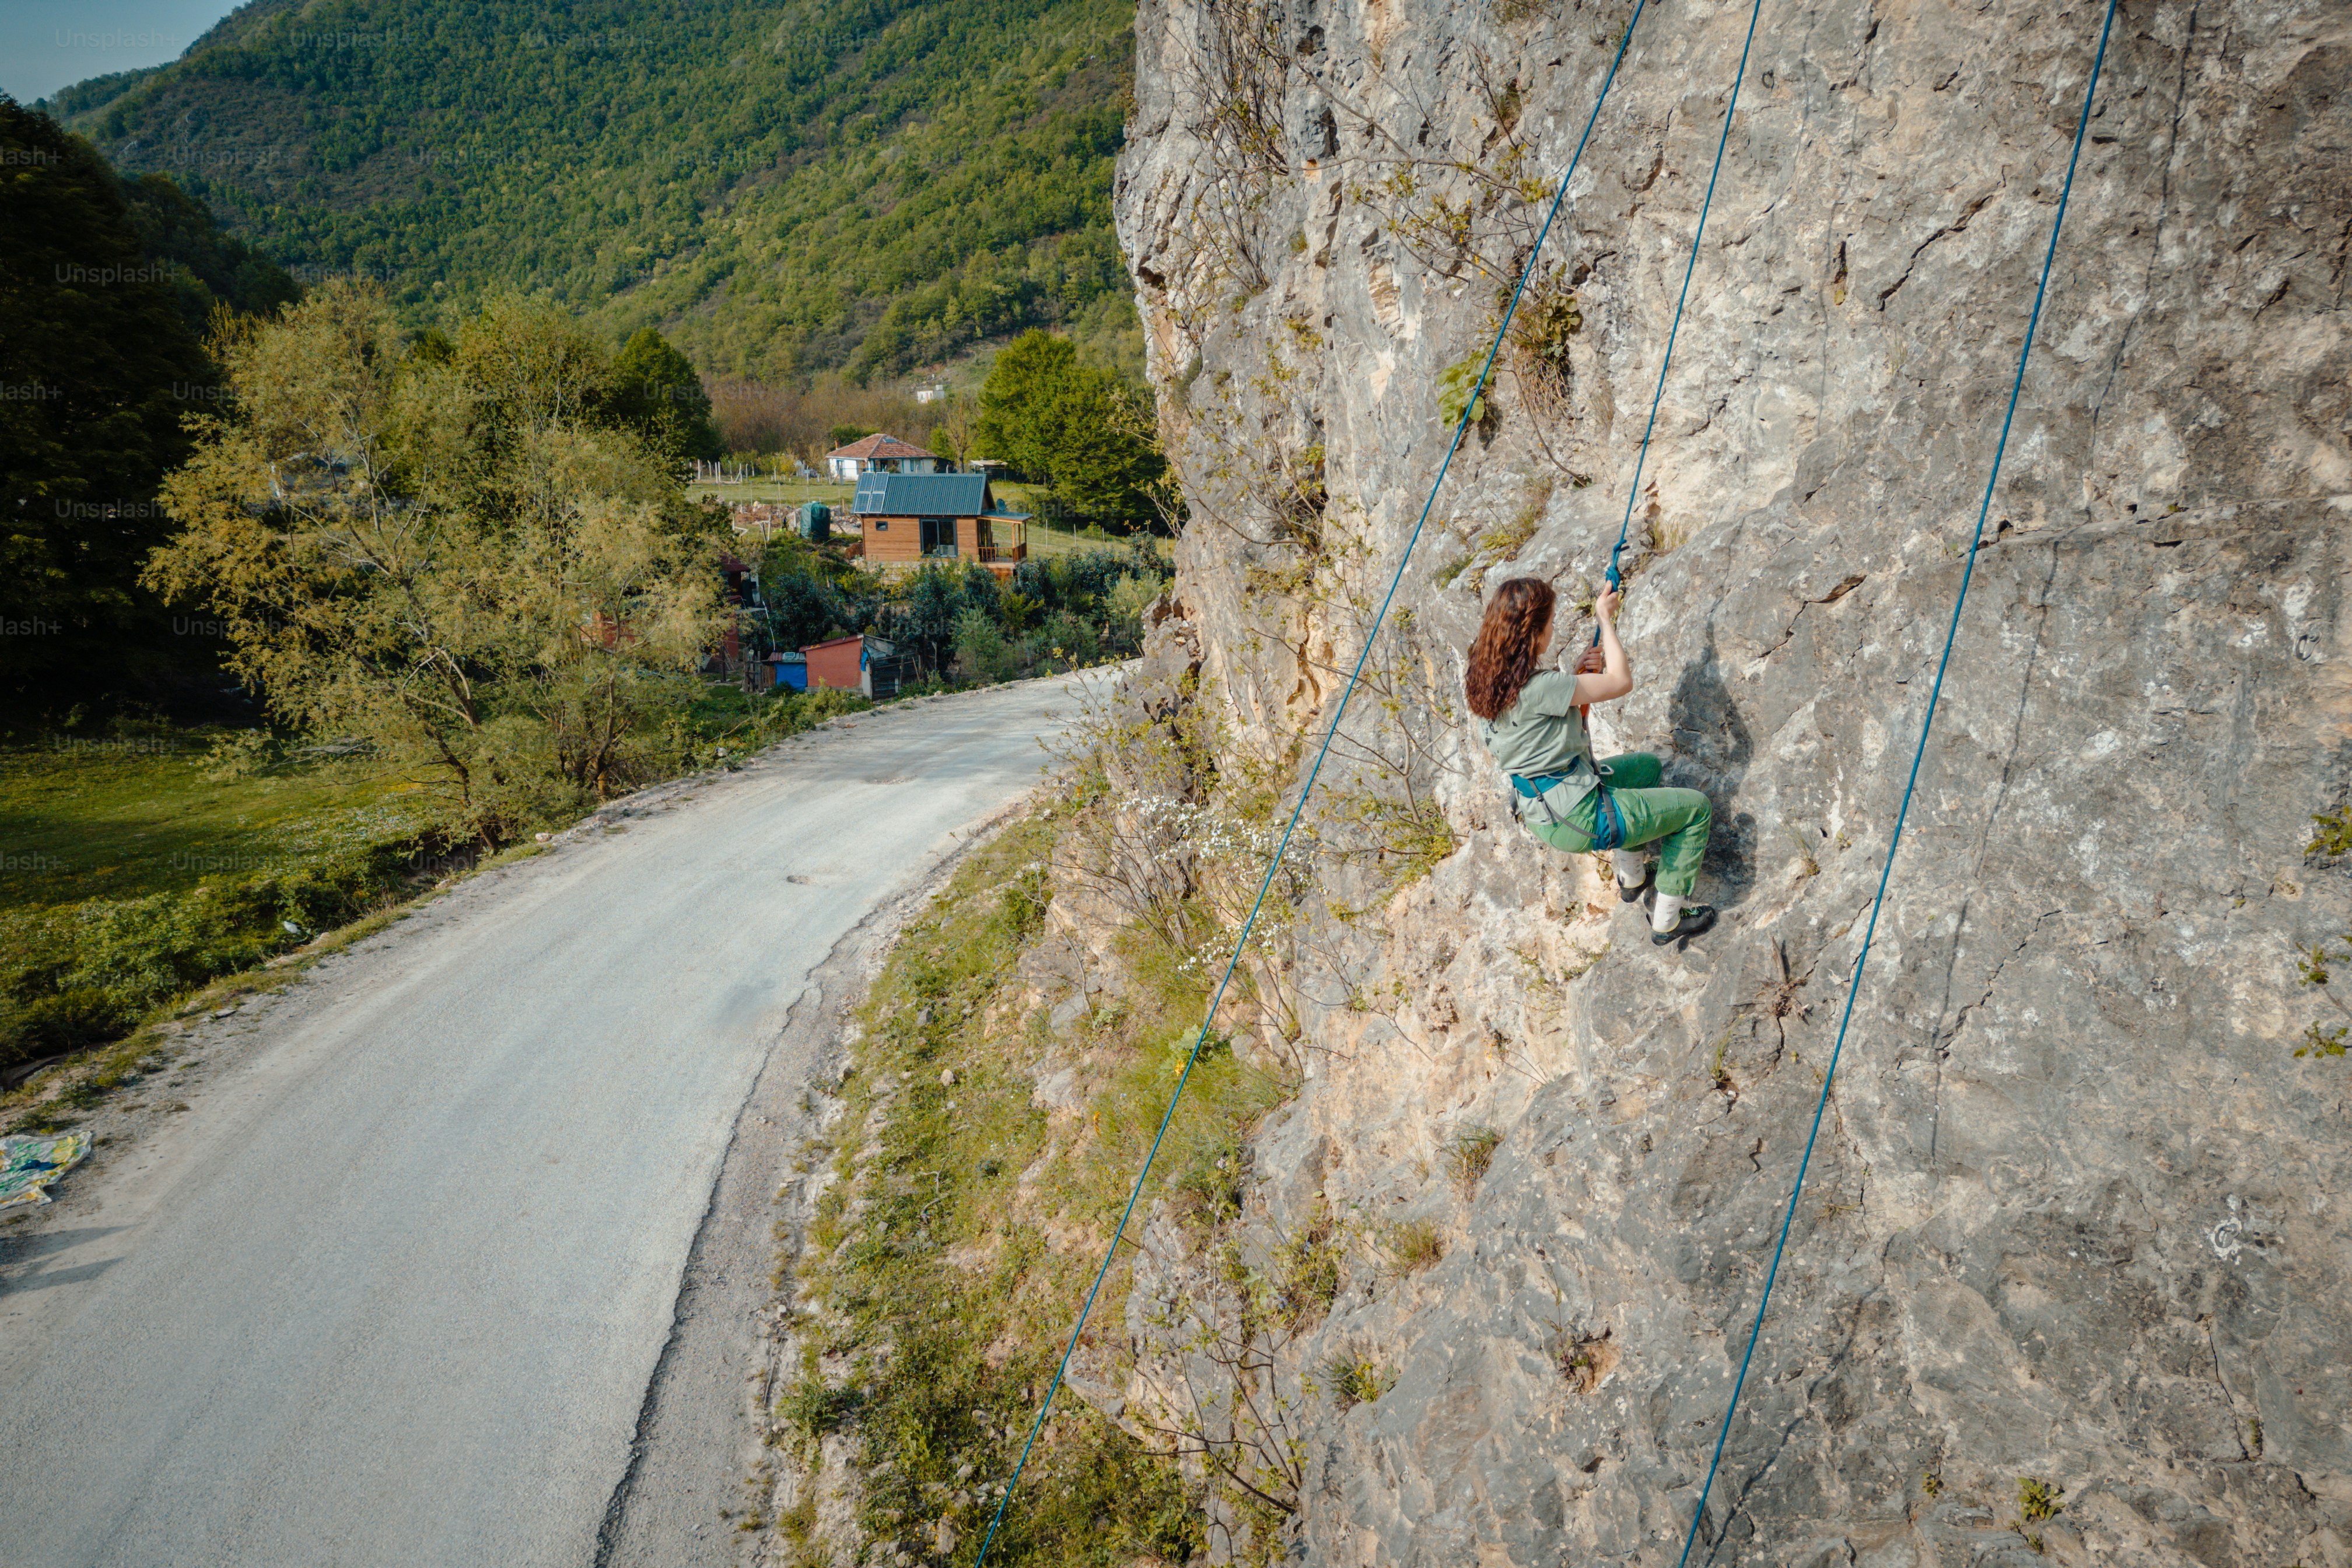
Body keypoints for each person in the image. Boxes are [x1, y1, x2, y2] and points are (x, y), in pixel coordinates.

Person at [1465, 575, 1716, 946]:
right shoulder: (1541, 687)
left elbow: (1545, 720)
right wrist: (1604, 618)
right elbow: (1620, 681)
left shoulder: (1488, 679)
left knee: (1646, 768)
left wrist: (1577, 679)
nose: (1553, 629)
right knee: (1696, 810)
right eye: (1550, 622)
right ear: (1534, 632)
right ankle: (1667, 918)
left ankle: (1632, 877)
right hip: (1578, 814)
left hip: (1545, 805)